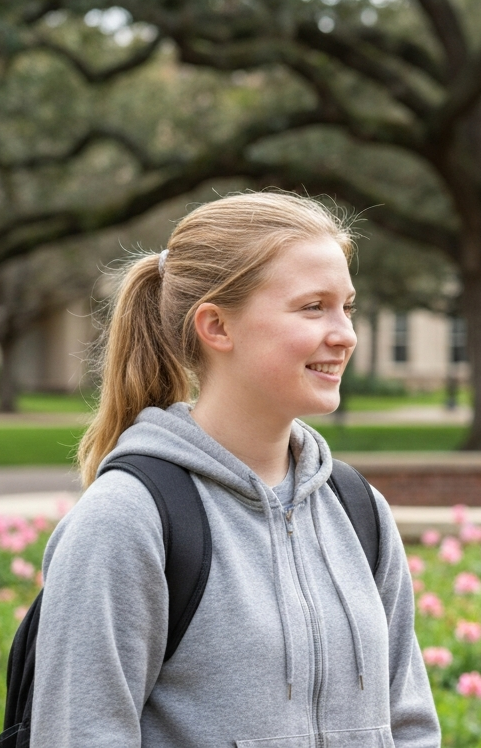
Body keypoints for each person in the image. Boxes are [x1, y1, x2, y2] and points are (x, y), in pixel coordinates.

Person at [32, 192, 440, 747]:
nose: (345, 333)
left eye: (347, 305)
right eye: (312, 306)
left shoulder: (357, 507)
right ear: (217, 327)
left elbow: (410, 724)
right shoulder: (127, 519)